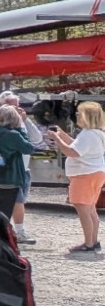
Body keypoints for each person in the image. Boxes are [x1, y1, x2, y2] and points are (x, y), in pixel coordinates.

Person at [50, 100, 105, 252]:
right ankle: (93, 241)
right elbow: (76, 145)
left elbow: (72, 152)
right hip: (95, 173)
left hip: (84, 175)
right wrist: (61, 134)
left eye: (79, 114)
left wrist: (56, 139)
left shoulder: (88, 134)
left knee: (83, 210)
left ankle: (88, 243)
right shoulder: (97, 133)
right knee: (90, 209)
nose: (77, 116)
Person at [0, 91, 42, 242]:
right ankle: (16, 232)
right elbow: (27, 146)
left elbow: (37, 139)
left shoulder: (21, 121)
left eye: (18, 105)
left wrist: (26, 121)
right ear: (3, 105)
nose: (16, 108)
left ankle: (12, 231)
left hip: (24, 168)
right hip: (9, 170)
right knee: (17, 201)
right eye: (12, 105)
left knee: (19, 201)